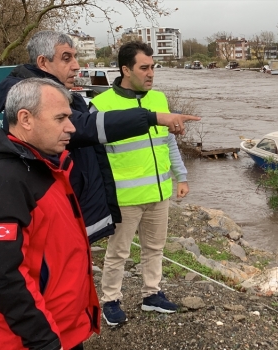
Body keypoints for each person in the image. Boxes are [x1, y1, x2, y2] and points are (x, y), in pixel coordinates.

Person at [0, 30, 200, 244]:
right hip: (56, 213)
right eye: (67, 58)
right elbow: (83, 127)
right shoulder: (32, 98)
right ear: (43, 62)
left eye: (75, 57)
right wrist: (150, 118)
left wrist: (180, 176)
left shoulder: (68, 97)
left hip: (73, 210)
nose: (76, 65)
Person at [0, 78, 100, 349]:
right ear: (25, 119)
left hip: (60, 327)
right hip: (28, 339)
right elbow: (0, 274)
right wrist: (44, 340)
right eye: (60, 118)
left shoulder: (45, 165)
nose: (71, 127)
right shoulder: (3, 181)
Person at [89, 41, 188, 326]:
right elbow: (94, 157)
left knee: (155, 248)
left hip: (159, 192)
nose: (151, 73)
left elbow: (168, 142)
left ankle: (151, 295)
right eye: (144, 68)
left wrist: (181, 177)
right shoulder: (102, 105)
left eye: (153, 67)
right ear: (125, 70)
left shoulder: (158, 99)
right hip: (124, 197)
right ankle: (110, 300)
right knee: (118, 252)